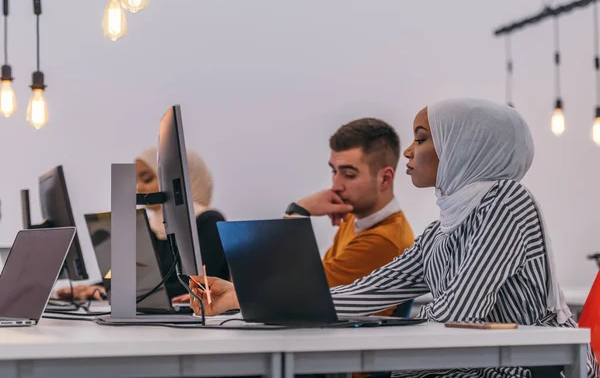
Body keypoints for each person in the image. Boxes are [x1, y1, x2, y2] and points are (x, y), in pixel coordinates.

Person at [190, 99, 599, 377]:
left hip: (518, 369)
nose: (408, 153)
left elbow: (459, 313)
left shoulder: (506, 201)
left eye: (421, 139)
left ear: (462, 150)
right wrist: (245, 298)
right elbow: (368, 291)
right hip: (465, 365)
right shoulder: (444, 227)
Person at [57, 146, 229, 302]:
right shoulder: (151, 226)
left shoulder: (209, 222)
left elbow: (197, 286)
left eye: (146, 179)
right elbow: (136, 279)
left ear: (179, 179)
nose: (138, 187)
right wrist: (95, 288)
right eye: (136, 181)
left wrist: (111, 292)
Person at [285, 118, 414, 315]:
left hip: (354, 343)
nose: (336, 185)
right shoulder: (356, 217)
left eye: (349, 174)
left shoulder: (383, 241)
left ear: (385, 178)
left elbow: (289, 290)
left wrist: (299, 211)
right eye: (334, 171)